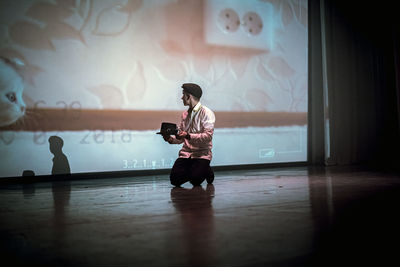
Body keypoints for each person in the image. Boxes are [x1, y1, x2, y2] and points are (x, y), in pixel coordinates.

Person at [162, 83, 215, 187]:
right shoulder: (185, 115)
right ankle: (200, 168)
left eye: (183, 94)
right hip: (186, 154)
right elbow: (181, 139)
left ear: (189, 96)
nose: (181, 97)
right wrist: (169, 139)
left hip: (201, 154)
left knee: (195, 180)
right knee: (175, 181)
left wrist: (187, 135)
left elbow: (208, 137)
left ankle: (206, 169)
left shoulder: (207, 113)